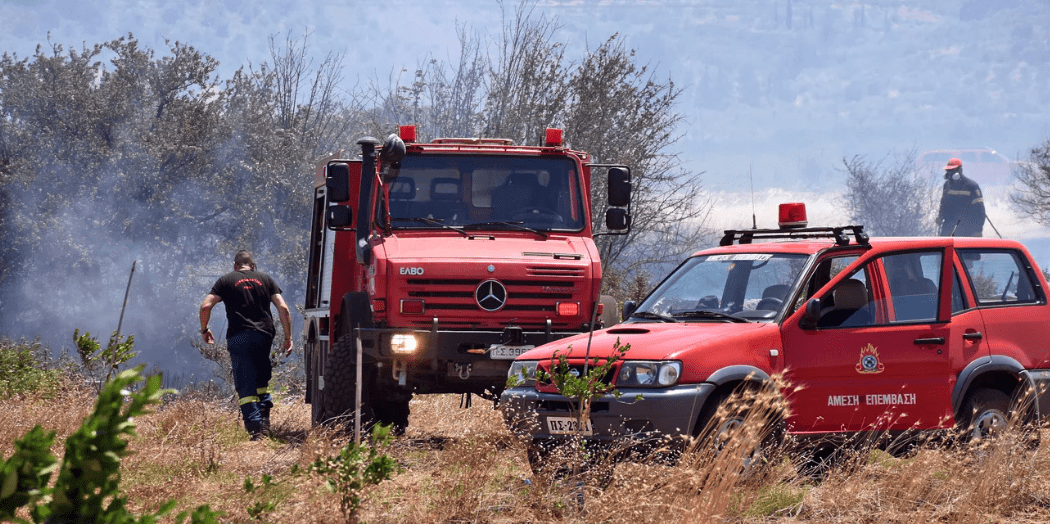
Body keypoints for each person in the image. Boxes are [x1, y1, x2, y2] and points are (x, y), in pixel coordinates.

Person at [199, 250, 293, 440]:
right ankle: (265, 426)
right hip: (263, 336)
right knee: (261, 382)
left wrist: (204, 329)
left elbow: (206, 306)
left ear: (235, 266)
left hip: (239, 337)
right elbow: (283, 307)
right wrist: (288, 338)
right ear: (253, 266)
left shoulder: (226, 280)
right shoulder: (265, 279)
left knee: (245, 385)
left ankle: (255, 431)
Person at [936, 158, 986, 237]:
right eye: (948, 171)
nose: (949, 173)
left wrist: (978, 230)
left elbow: (980, 211)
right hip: (948, 226)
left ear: (959, 170)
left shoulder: (971, 186)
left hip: (967, 227)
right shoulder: (947, 185)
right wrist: (940, 216)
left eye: (952, 170)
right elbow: (943, 203)